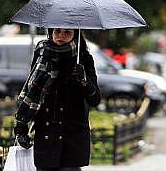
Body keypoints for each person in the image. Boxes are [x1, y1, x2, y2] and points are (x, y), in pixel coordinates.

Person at [13, 28, 101, 171]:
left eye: (67, 32)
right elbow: (31, 92)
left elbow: (95, 99)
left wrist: (84, 80)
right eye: (57, 31)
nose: (61, 36)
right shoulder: (42, 54)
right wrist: (22, 125)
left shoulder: (83, 58)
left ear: (75, 35)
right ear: (51, 32)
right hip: (46, 135)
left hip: (71, 138)